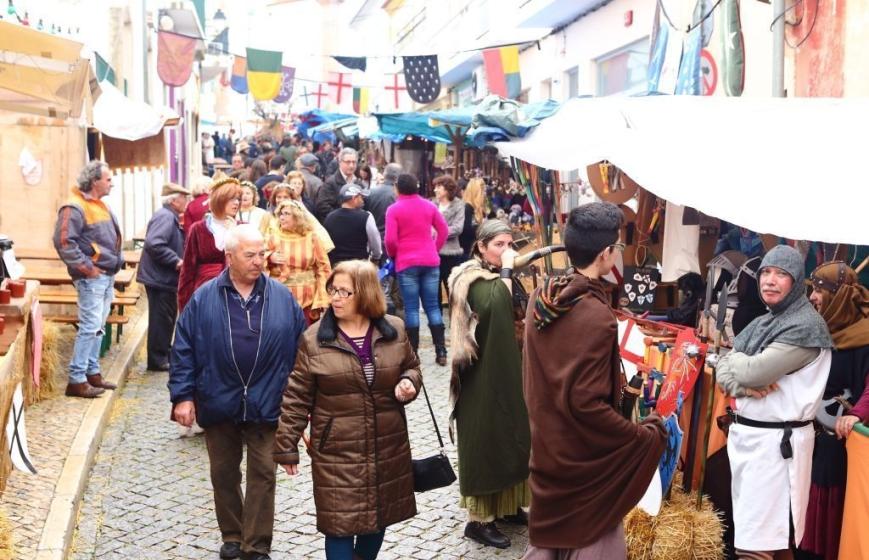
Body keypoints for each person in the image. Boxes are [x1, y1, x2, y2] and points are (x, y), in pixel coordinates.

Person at [521, 203, 667, 559]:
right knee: (592, 543)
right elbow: (585, 404)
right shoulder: (596, 316)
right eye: (616, 247)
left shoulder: (541, 298)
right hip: (584, 463)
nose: (617, 254)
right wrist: (642, 436)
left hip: (546, 449)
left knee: (548, 547)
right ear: (605, 254)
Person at [170, 224, 305, 560]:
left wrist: (304, 401)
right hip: (218, 397)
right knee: (224, 473)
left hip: (268, 399)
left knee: (263, 474)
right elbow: (183, 347)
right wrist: (183, 396)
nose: (259, 261)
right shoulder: (204, 297)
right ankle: (232, 535)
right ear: (229, 257)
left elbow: (304, 349)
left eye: (262, 254)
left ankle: (256, 544)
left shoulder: (282, 297)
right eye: (251, 255)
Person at [273, 259, 421, 560]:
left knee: (376, 520)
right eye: (333, 290)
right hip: (337, 450)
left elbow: (413, 368)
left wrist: (409, 382)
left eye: (344, 292)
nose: (335, 298)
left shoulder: (394, 330)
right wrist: (286, 445)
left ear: (366, 294)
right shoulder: (314, 339)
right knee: (338, 526)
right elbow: (297, 395)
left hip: (386, 443)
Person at [716, 245, 833, 560]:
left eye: (782, 274)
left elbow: (755, 372)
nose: (770, 280)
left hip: (776, 449)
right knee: (773, 542)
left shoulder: (805, 326)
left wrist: (736, 366)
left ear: (797, 282)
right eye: (766, 272)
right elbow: (722, 366)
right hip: (754, 443)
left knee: (757, 546)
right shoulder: (764, 322)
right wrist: (734, 373)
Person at [446, 220, 530, 549]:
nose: (506, 250)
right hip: (479, 373)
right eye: (499, 244)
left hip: (506, 367)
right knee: (485, 437)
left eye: (510, 244)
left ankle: (507, 507)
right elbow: (498, 305)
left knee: (510, 432)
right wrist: (507, 271)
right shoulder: (470, 278)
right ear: (481, 247)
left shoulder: (495, 275)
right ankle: (478, 521)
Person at [797, 262, 869, 560]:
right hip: (809, 440)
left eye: (819, 290)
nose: (813, 296)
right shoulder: (820, 330)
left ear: (838, 296)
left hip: (837, 446)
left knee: (828, 532)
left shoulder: (864, 337)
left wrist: (857, 414)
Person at [52, 160, 124, 398]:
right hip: (92, 278)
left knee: (98, 327)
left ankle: (92, 373)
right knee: (90, 327)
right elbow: (64, 242)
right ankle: (76, 378)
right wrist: (87, 268)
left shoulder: (98, 205)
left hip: (104, 276)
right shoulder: (74, 207)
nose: (111, 183)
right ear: (95, 182)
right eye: (108, 179)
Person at [384, 174, 448, 364]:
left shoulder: (394, 209)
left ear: (397, 188)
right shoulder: (429, 206)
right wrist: (434, 249)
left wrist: (394, 255)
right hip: (430, 261)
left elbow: (390, 240)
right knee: (433, 307)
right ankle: (441, 351)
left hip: (407, 262)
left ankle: (413, 353)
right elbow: (443, 230)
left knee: (411, 309)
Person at [137, 183, 190, 371]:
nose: (187, 201)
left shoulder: (168, 216)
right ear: (174, 200)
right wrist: (175, 261)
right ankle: (158, 359)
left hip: (161, 277)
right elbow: (154, 244)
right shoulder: (166, 217)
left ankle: (163, 355)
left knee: (166, 318)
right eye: (184, 197)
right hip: (160, 277)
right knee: (161, 319)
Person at [177, 177, 241, 313]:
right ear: (219, 200)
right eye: (232, 199)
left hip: (236, 295)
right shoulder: (198, 229)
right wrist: (185, 307)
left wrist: (234, 233)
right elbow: (187, 271)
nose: (236, 203)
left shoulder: (242, 228)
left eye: (238, 198)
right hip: (204, 295)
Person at [264, 200, 331, 324]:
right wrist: (270, 257)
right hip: (279, 296)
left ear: (297, 217)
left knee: (304, 335)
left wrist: (322, 296)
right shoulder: (273, 237)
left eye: (286, 214)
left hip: (307, 297)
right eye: (281, 214)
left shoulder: (312, 237)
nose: (281, 218)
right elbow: (258, 259)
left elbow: (323, 268)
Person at [323, 184, 381, 267]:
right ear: (354, 198)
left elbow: (325, 244)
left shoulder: (329, 217)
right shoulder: (366, 217)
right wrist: (376, 257)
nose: (363, 200)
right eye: (361, 197)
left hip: (336, 267)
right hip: (359, 268)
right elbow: (375, 244)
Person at [433, 175, 466, 307]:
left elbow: (458, 228)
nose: (435, 190)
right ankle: (436, 325)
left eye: (438, 187)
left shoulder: (458, 205)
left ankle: (456, 322)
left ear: (447, 189)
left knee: (452, 290)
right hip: (433, 253)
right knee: (434, 293)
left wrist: (437, 231)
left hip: (451, 253)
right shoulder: (432, 204)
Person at [316, 147, 359, 222]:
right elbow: (323, 206)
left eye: (354, 162)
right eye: (348, 162)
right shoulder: (330, 183)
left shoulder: (358, 182)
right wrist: (342, 218)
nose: (351, 165)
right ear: (340, 162)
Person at [367, 163, 400, 245]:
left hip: (373, 240)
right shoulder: (400, 196)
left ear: (384, 175)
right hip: (393, 240)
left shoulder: (371, 192)